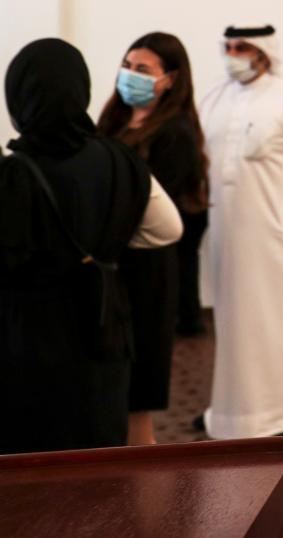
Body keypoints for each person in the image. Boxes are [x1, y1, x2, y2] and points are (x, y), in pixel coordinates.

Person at [0, 38, 182, 454]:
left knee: (30, 459)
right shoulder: (122, 161)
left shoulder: (12, 174)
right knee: (98, 452)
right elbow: (167, 229)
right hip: (103, 324)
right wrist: (107, 249)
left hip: (26, 337)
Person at [199, 25, 283, 439]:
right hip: (228, 235)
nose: (232, 54)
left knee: (282, 322)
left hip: (279, 239)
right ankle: (233, 415)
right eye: (227, 46)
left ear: (263, 51)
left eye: (242, 47)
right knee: (236, 325)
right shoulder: (213, 99)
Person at [96, 32, 211, 445]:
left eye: (142, 70)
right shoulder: (113, 120)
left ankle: (142, 481)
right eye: (127, 66)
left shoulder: (175, 133)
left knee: (138, 387)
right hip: (111, 263)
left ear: (169, 79)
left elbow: (150, 203)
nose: (130, 76)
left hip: (146, 268)